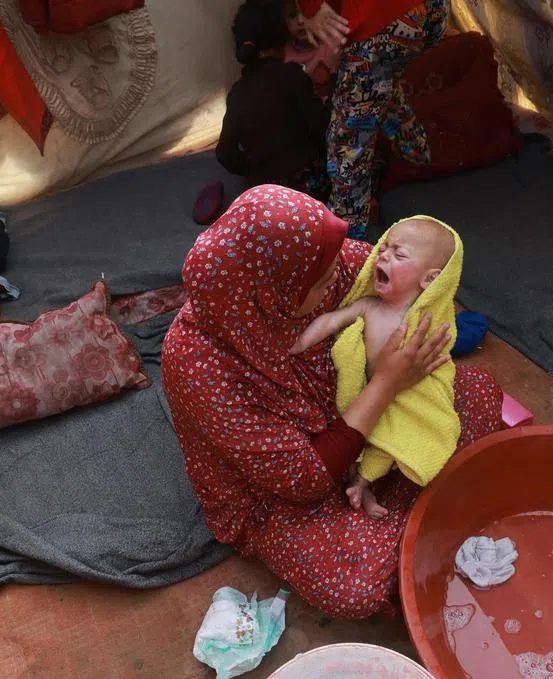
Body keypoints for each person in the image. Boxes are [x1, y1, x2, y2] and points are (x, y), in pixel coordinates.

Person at [161, 186, 503, 618]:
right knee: (355, 585)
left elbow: (426, 289)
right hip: (286, 490)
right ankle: (418, 509)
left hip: (368, 421)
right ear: (274, 293)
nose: (336, 282)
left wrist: (418, 335)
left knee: (477, 393)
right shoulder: (199, 362)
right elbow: (301, 483)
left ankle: (398, 509)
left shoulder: (327, 263)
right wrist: (386, 385)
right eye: (320, 283)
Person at [289, 216, 461, 520]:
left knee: (387, 447)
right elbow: (331, 321)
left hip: (403, 399)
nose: (383, 255)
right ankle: (359, 484)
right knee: (352, 441)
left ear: (430, 280)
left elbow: (436, 360)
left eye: (400, 254)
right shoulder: (369, 306)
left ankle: (364, 484)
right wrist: (297, 345)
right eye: (384, 248)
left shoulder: (423, 323)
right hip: (365, 394)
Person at [298, 0, 447, 237]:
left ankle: (344, 246)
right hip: (429, 11)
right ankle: (417, 153)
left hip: (382, 19)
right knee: (378, 81)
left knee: (348, 141)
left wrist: (311, 8)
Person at [215, 0, 331, 198]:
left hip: (264, 193)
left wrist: (253, 169)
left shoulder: (237, 92)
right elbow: (323, 127)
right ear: (282, 38)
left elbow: (225, 153)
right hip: (306, 187)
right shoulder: (292, 76)